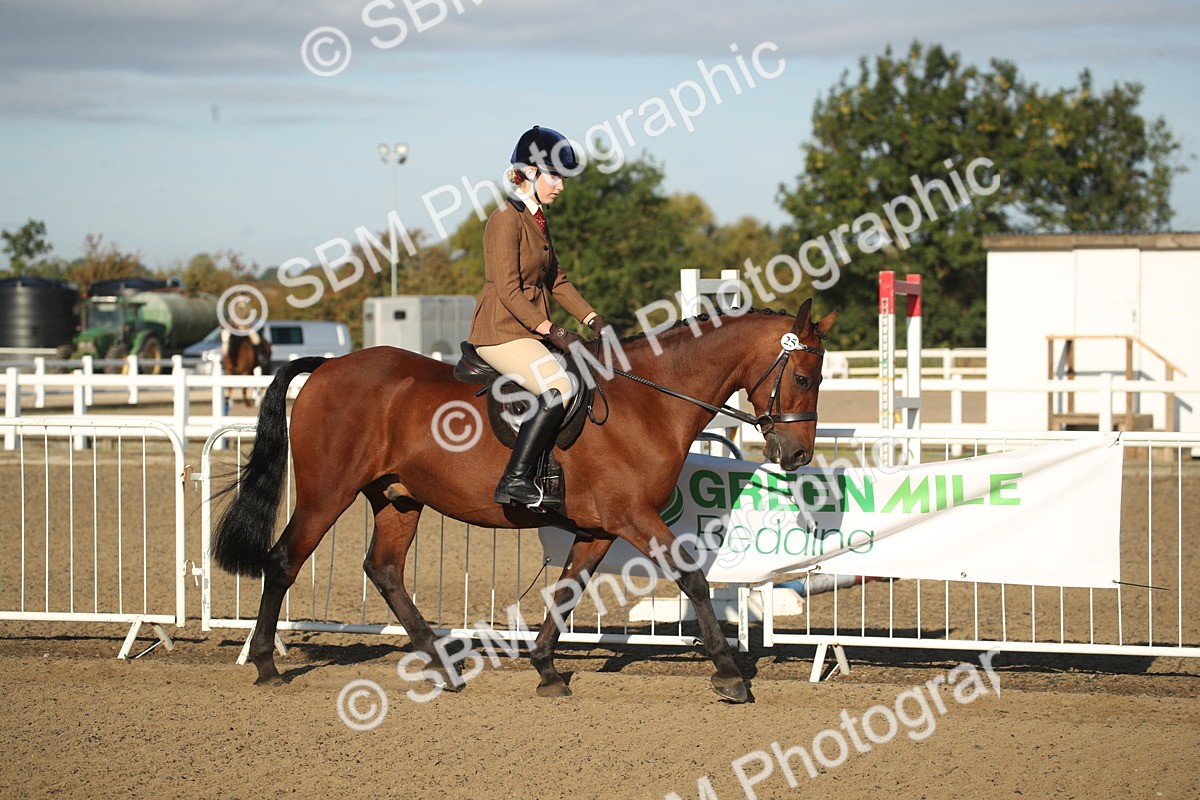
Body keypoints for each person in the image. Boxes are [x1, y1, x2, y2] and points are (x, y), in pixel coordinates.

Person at [466, 125, 605, 509]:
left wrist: (594, 320)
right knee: (559, 385)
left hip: (527, 332)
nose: (561, 185)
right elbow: (509, 291)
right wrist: (556, 330)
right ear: (528, 172)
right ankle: (514, 479)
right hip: (499, 332)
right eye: (555, 176)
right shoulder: (504, 220)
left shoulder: (537, 220)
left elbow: (556, 280)